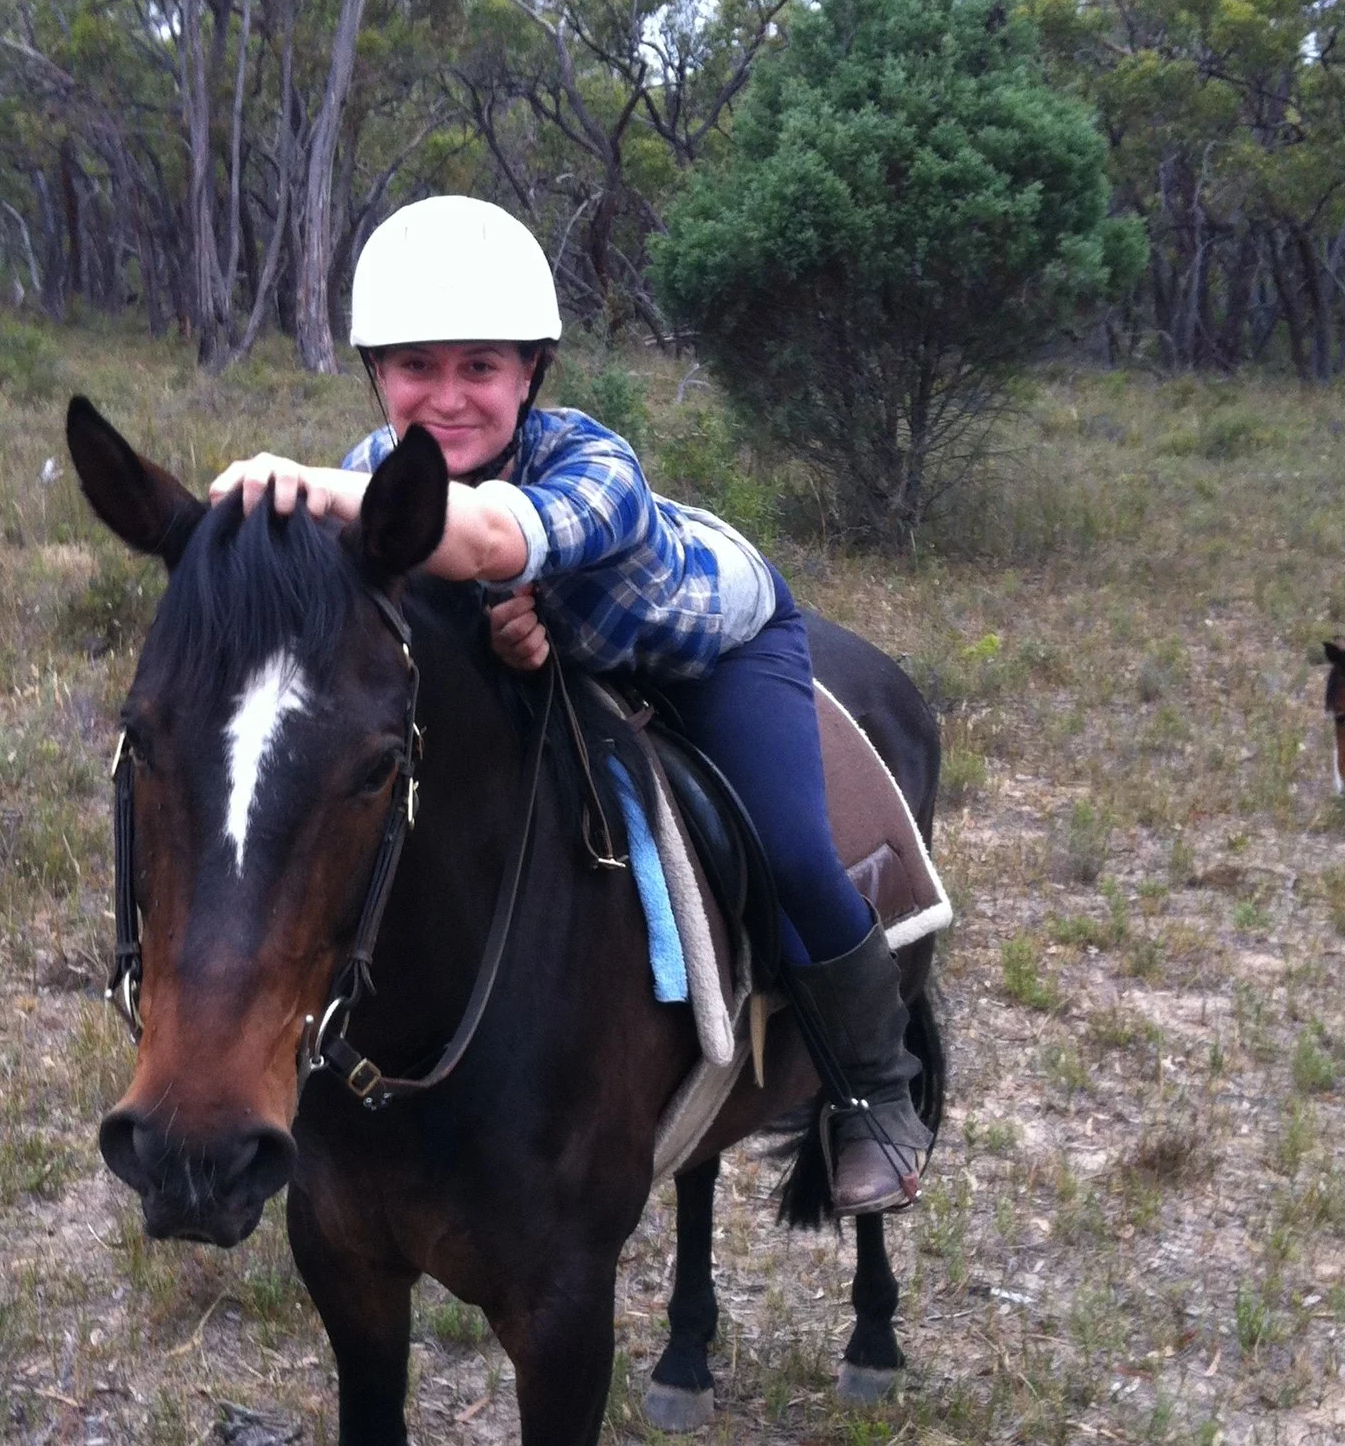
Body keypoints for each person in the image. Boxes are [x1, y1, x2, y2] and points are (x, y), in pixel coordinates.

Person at [210, 195, 929, 1213]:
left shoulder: (595, 465)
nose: (448, 397)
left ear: (532, 373)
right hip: (566, 658)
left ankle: (872, 1089)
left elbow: (494, 541)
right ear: (376, 372)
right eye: (417, 366)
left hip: (704, 644)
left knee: (793, 849)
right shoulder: (375, 472)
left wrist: (297, 482)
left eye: (481, 368)